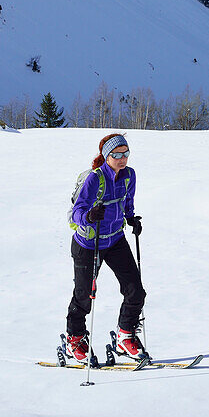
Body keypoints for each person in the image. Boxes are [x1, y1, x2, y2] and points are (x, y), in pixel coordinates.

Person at [65, 132, 146, 362]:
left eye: (125, 153)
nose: (122, 158)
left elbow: (127, 201)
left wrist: (131, 219)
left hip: (114, 239)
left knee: (135, 291)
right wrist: (89, 215)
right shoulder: (95, 179)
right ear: (106, 156)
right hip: (88, 243)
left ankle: (125, 335)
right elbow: (75, 213)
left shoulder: (129, 175)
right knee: (84, 295)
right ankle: (75, 339)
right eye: (116, 154)